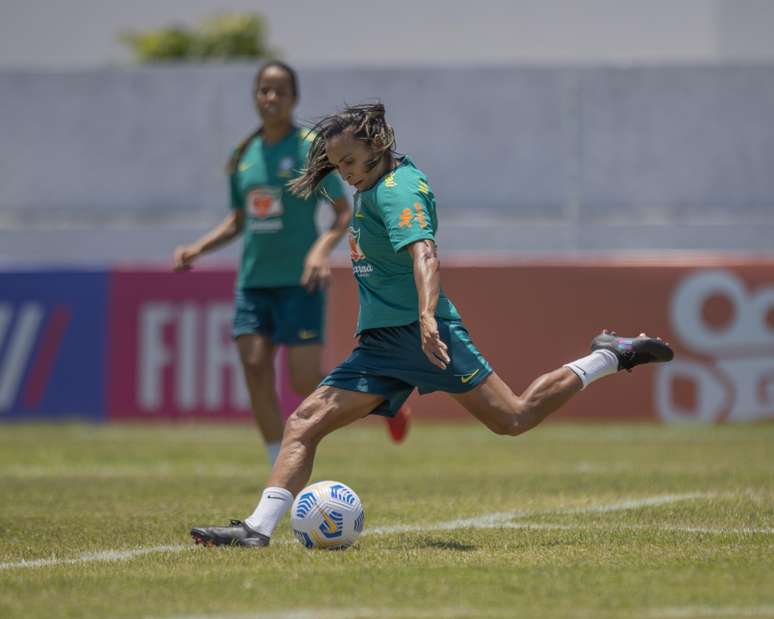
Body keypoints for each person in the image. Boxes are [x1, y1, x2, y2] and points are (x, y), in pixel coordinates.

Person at [190, 103, 674, 547]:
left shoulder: (398, 189)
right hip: (381, 344)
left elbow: (425, 253)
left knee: (514, 418)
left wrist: (426, 317)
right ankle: (257, 529)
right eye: (338, 166)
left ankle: (609, 354)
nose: (347, 174)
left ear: (376, 146)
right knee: (304, 422)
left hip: (426, 336)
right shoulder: (374, 185)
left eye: (351, 162)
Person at [173, 66, 411, 466]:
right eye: (264, 90)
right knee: (253, 366)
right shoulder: (243, 155)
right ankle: (275, 462)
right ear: (255, 96)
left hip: (299, 282)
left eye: (280, 91)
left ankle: (381, 400)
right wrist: (198, 248)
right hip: (254, 282)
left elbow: (340, 212)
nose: (271, 98)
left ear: (293, 98)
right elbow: (239, 219)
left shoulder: (309, 149)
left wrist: (320, 252)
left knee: (304, 380)